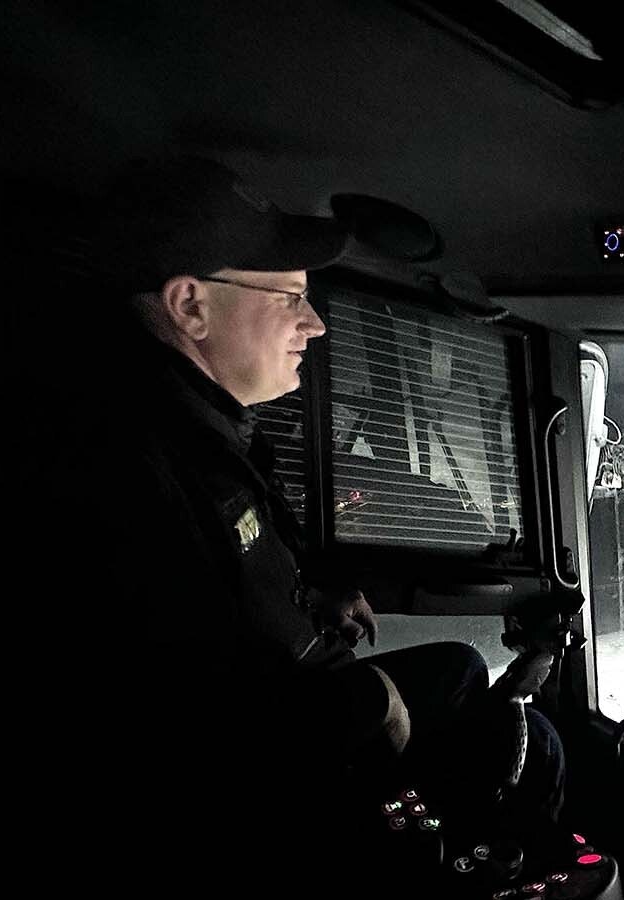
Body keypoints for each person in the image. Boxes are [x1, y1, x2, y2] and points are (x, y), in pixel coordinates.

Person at [37, 156, 561, 844]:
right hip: (281, 780)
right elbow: (192, 727)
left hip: (304, 703)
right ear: (190, 305)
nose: (314, 324)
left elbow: (243, 584)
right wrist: (364, 699)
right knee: (530, 746)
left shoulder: (204, 427)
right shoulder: (122, 464)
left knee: (464, 670)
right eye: (289, 297)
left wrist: (321, 594)